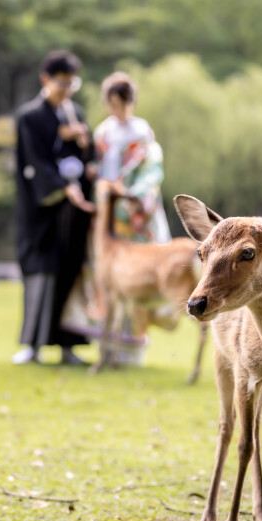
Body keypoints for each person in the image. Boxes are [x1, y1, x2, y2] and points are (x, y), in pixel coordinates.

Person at [11, 50, 97, 365]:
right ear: (45, 79)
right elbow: (35, 161)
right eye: (61, 83)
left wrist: (87, 156)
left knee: (70, 271)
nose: (66, 90)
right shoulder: (30, 116)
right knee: (41, 271)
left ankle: (68, 346)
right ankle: (32, 345)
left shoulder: (76, 114)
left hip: (72, 214)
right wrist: (63, 188)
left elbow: (88, 160)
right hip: (41, 212)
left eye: (71, 84)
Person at [90, 71, 171, 363]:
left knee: (136, 277)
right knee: (107, 276)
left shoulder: (141, 132)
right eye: (111, 104)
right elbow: (98, 167)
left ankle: (133, 345)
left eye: (121, 103)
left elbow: (151, 170)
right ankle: (107, 340)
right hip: (108, 212)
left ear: (130, 102)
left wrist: (133, 193)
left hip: (132, 209)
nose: (117, 110)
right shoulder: (103, 133)